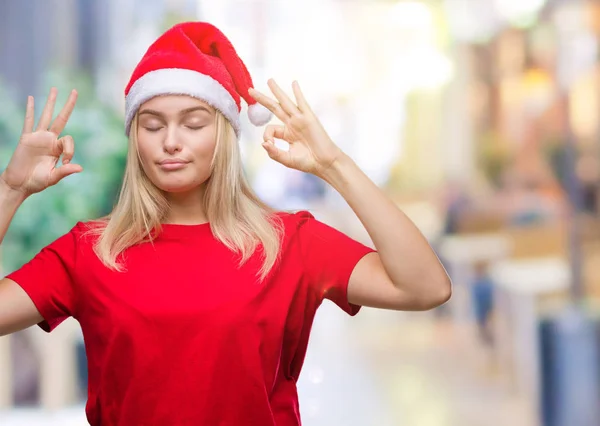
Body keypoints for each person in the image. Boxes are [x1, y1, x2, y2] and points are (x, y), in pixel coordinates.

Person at [0, 21, 451, 426]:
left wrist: (333, 164)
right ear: (134, 137)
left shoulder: (289, 242)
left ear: (225, 133)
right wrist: (10, 189)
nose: (170, 142)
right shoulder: (92, 250)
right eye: (152, 125)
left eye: (193, 123)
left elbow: (425, 287)